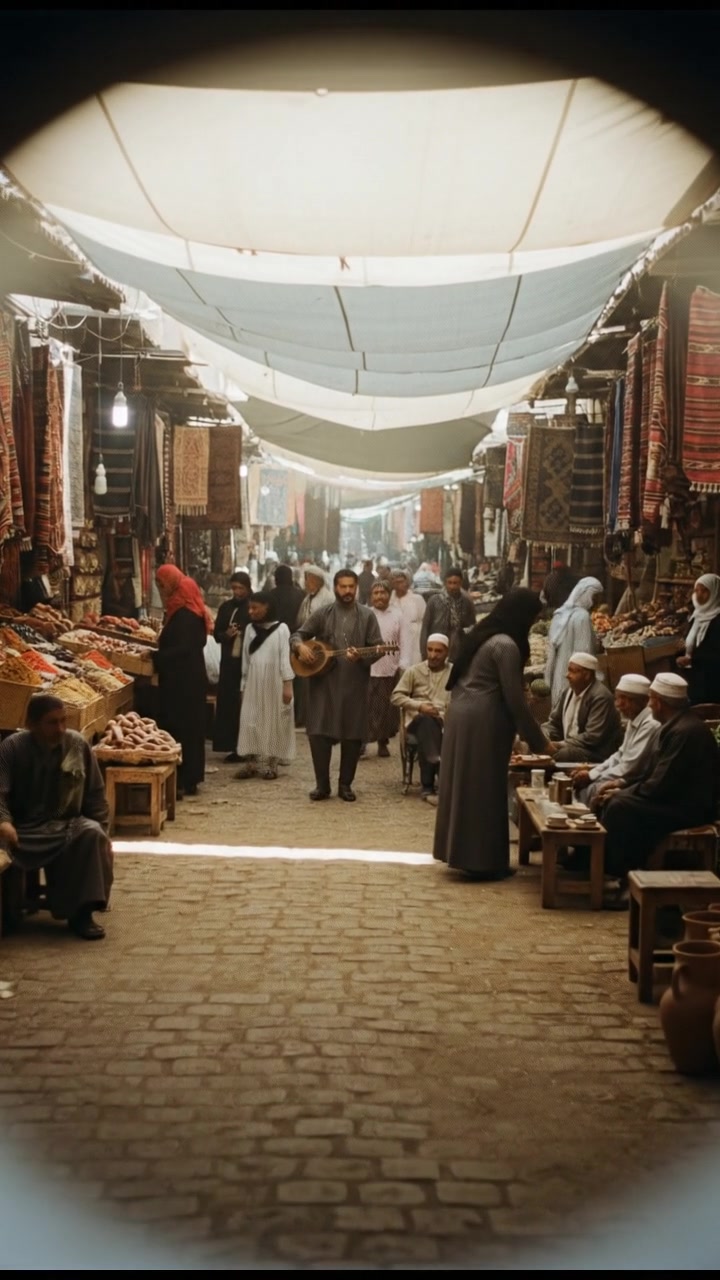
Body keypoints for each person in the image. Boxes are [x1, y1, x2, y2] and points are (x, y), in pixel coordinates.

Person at [432, 589, 556, 880]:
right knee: (484, 788)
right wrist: (540, 742)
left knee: (469, 785)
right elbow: (515, 700)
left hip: (463, 714)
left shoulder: (485, 636)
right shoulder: (505, 646)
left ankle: (467, 854)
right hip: (483, 720)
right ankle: (483, 860)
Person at [598, 673, 720, 908]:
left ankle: (627, 876)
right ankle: (616, 871)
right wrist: (623, 786)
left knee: (621, 807)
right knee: (613, 800)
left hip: (689, 808)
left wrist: (625, 793)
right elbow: (655, 776)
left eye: (651, 699)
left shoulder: (684, 731)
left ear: (660, 703)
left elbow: (660, 785)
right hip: (674, 799)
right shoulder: (675, 727)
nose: (649, 704)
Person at [0, 695, 112, 940]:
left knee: (91, 834)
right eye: (52, 723)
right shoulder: (12, 747)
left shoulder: (77, 744)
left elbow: (95, 794)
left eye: (64, 721)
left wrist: (104, 831)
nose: (60, 729)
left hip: (66, 825)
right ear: (31, 724)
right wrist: (4, 822)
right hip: (22, 828)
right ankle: (9, 913)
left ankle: (82, 914)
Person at [291, 569, 383, 801]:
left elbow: (378, 647)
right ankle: (322, 786)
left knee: (352, 736)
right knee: (318, 733)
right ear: (335, 588)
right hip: (323, 686)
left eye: (351, 587)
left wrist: (362, 657)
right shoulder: (323, 613)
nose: (347, 591)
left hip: (354, 684)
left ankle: (345, 786)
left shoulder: (367, 616)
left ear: (357, 588)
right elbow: (297, 635)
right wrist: (300, 647)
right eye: (343, 587)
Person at [151, 564, 211, 797]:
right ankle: (189, 777)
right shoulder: (188, 609)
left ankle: (183, 778)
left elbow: (185, 648)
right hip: (188, 679)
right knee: (190, 728)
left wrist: (157, 656)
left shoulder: (185, 614)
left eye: (162, 583)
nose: (160, 588)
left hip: (182, 682)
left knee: (181, 726)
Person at [570, 673, 660, 805]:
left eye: (624, 699)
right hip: (623, 775)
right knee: (578, 785)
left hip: (636, 780)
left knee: (593, 789)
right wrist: (592, 773)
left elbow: (631, 767)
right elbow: (620, 755)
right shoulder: (634, 718)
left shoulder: (651, 724)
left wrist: (593, 777)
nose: (618, 704)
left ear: (641, 701)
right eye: (618, 698)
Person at [235, 592, 295, 781]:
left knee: (273, 720)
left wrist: (288, 684)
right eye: (249, 608)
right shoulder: (250, 630)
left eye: (255, 608)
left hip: (274, 680)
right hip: (253, 680)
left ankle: (271, 763)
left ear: (266, 607)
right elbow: (246, 659)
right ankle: (251, 762)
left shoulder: (281, 629)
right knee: (251, 720)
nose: (251, 612)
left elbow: (286, 658)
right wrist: (243, 686)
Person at [391, 633, 452, 802]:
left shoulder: (454, 672)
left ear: (447, 652)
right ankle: (430, 777)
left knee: (435, 726)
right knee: (426, 721)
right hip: (417, 720)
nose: (433, 655)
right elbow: (396, 696)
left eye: (438, 651)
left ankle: (429, 787)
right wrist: (419, 706)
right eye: (430, 650)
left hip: (446, 721)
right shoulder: (414, 671)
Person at [542, 652, 622, 763]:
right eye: (568, 670)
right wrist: (543, 736)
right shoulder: (568, 692)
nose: (567, 675)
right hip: (570, 745)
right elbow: (554, 723)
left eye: (572, 671)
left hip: (595, 752)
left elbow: (592, 737)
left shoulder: (600, 696)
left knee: (565, 755)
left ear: (587, 675)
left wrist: (560, 745)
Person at [545, 576, 603, 706]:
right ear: (586, 595)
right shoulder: (582, 617)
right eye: (594, 597)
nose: (595, 603)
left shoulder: (560, 614)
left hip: (559, 679)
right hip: (577, 682)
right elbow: (585, 654)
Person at [212, 571, 251, 762]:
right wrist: (226, 635)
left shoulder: (254, 607)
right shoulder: (226, 607)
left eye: (241, 588)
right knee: (229, 703)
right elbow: (216, 633)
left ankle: (247, 746)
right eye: (234, 588)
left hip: (248, 664)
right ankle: (232, 745)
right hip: (229, 664)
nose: (237, 592)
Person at [294, 564, 335, 729]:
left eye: (308, 579)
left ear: (317, 581)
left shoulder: (328, 597)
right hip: (306, 644)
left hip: (321, 646)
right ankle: (306, 717)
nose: (306, 583)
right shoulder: (308, 597)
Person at [364, 580, 402, 757]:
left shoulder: (397, 615)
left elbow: (404, 642)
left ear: (389, 594)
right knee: (367, 707)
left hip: (389, 668)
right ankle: (362, 742)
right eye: (376, 593)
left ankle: (383, 741)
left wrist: (401, 665)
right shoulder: (365, 615)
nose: (379, 596)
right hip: (368, 669)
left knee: (386, 708)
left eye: (383, 592)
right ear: (371, 596)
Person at [676, 573, 720, 704]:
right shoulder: (696, 616)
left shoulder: (718, 620)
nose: (699, 595)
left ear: (715, 592)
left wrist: (692, 659)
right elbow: (689, 642)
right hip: (695, 678)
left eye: (704, 591)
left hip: (713, 680)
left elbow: (715, 652)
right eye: (697, 590)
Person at [420, 567, 476, 663]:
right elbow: (425, 628)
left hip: (457, 651)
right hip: (436, 650)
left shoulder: (466, 602)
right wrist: (424, 654)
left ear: (461, 583)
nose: (452, 586)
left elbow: (472, 626)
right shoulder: (434, 601)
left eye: (455, 583)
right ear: (445, 583)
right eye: (449, 583)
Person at [390, 569, 426, 671]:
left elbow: (424, 620)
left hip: (414, 640)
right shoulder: (390, 600)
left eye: (402, 582)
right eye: (396, 582)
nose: (400, 585)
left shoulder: (417, 599)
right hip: (395, 641)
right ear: (393, 584)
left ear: (407, 583)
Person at [269, 563, 306, 632]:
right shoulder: (300, 594)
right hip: (295, 632)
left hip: (275, 631)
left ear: (276, 578)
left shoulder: (270, 595)